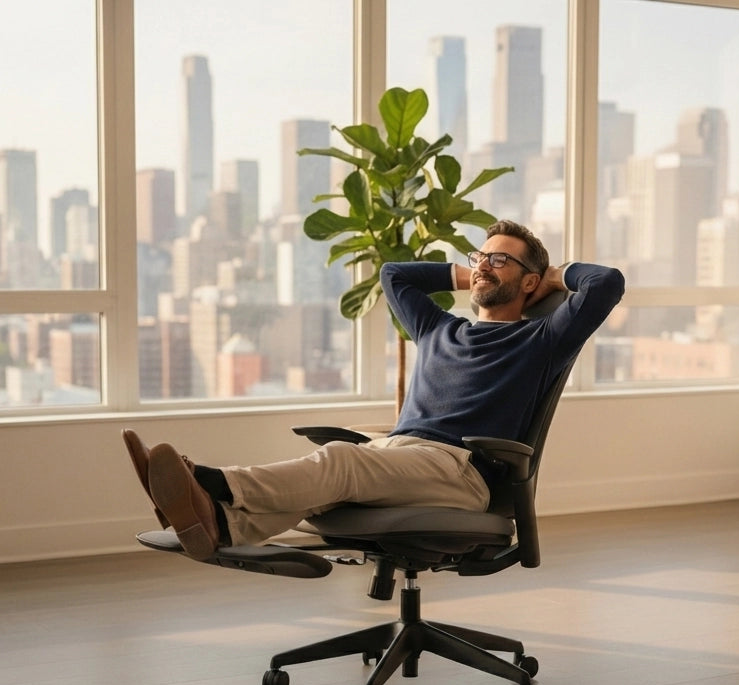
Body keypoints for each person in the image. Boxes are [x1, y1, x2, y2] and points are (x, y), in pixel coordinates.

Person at [123, 220, 625, 561]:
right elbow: (393, 275)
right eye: (480, 256)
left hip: (463, 470)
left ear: (530, 281)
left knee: (341, 462)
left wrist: (555, 278)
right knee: (329, 485)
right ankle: (220, 528)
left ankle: (208, 482)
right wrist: (465, 270)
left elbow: (606, 283)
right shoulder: (438, 328)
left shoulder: (541, 338)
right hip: (403, 453)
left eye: (500, 261)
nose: (483, 265)